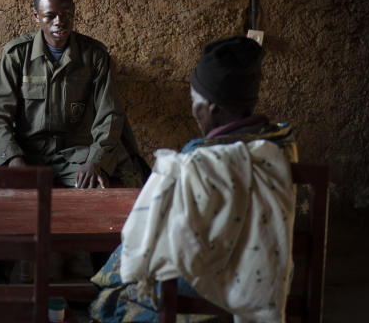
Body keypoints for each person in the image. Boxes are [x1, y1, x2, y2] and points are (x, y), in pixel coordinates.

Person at [89, 35, 297, 323]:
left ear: (210, 108)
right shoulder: (280, 149)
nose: (192, 109)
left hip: (205, 292)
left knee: (109, 301)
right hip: (264, 283)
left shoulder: (194, 162)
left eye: (193, 100)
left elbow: (150, 244)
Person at [0, 0, 148, 283]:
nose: (60, 22)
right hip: (30, 153)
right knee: (7, 202)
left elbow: (110, 115)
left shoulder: (94, 56)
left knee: (100, 196)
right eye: (50, 16)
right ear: (36, 16)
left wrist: (96, 160)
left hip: (77, 152)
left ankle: (101, 281)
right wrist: (12, 160)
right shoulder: (16, 56)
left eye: (67, 14)